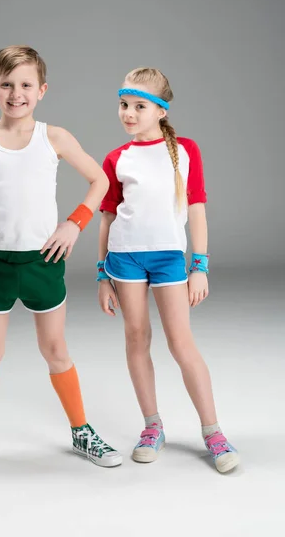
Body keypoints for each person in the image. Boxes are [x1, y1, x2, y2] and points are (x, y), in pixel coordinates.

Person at [0, 45, 122, 476]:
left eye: (25, 85)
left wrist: (74, 223)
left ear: (42, 90)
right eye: (7, 85)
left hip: (43, 261)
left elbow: (99, 179)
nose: (16, 93)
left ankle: (81, 431)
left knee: (55, 349)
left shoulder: (53, 137)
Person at [96, 67, 239, 473]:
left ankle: (213, 432)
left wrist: (200, 265)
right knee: (136, 338)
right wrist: (102, 274)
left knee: (181, 344)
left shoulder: (186, 150)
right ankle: (152, 426)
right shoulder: (116, 158)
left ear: (161, 110)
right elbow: (107, 218)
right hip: (124, 259)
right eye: (124, 104)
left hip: (168, 259)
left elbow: (196, 209)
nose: (128, 113)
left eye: (139, 106)